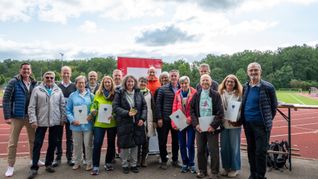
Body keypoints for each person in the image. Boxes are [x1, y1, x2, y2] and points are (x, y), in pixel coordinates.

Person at [2, 63, 43, 177]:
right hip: (17, 116)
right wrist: (7, 116)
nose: (26, 71)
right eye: (24, 69)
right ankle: (10, 166)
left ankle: (33, 160)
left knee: (33, 141)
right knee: (12, 143)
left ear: (31, 70)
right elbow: (6, 99)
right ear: (20, 70)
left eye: (28, 69)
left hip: (30, 116)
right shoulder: (13, 82)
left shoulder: (35, 83)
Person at [240, 62, 278, 179]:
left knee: (261, 152)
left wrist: (266, 120)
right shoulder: (245, 86)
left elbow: (273, 107)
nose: (253, 72)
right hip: (248, 124)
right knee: (251, 150)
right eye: (251, 70)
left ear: (260, 71)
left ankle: (260, 176)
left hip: (261, 125)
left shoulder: (268, 87)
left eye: (255, 70)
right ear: (248, 72)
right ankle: (253, 174)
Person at [27, 71, 66, 179]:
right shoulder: (37, 89)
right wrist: (33, 120)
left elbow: (62, 105)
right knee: (37, 144)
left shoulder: (58, 90)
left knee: (53, 143)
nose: (49, 79)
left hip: (55, 121)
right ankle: (34, 167)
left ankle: (48, 164)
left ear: (54, 79)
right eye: (47, 77)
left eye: (51, 78)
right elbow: (31, 106)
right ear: (43, 78)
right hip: (41, 121)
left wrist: (63, 118)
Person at [190, 74, 224, 179]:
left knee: (213, 150)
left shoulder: (216, 95)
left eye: (207, 80)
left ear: (211, 82)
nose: (205, 82)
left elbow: (220, 112)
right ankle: (202, 171)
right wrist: (196, 124)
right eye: (203, 80)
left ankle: (214, 172)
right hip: (200, 128)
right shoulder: (196, 95)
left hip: (212, 128)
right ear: (200, 83)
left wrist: (213, 125)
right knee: (200, 150)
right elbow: (192, 111)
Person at [113, 75, 147, 174]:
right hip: (124, 123)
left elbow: (144, 106)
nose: (130, 83)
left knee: (135, 144)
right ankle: (124, 165)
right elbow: (115, 107)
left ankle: (133, 164)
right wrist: (127, 113)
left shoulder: (138, 92)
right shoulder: (119, 93)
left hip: (136, 123)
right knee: (124, 145)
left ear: (135, 82)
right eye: (128, 82)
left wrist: (142, 118)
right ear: (125, 82)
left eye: (132, 81)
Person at [66, 75, 94, 171]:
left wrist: (91, 114)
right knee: (77, 145)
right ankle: (77, 162)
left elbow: (94, 108)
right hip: (76, 125)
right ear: (76, 84)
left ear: (85, 84)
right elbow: (68, 110)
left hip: (88, 124)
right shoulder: (72, 96)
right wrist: (72, 120)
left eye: (83, 82)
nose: (81, 84)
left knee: (88, 144)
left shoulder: (91, 95)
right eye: (79, 83)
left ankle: (89, 163)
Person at [90, 76, 117, 175]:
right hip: (99, 123)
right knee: (97, 144)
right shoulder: (97, 94)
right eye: (105, 82)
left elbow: (117, 106)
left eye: (109, 82)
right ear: (103, 83)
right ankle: (96, 166)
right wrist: (92, 110)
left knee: (111, 144)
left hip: (112, 123)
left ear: (112, 83)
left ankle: (108, 163)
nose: (107, 84)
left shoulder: (115, 94)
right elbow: (93, 105)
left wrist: (114, 115)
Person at [218, 74, 243, 178]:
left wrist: (238, 120)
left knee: (234, 147)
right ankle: (226, 167)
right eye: (227, 81)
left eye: (232, 81)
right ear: (225, 82)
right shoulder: (220, 93)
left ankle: (235, 168)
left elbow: (242, 109)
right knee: (224, 147)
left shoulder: (239, 95)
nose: (229, 83)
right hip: (223, 125)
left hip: (234, 125)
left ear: (235, 84)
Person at [156, 70, 181, 169]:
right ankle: (163, 160)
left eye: (175, 75)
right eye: (172, 76)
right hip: (165, 119)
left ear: (178, 77)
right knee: (162, 141)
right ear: (169, 77)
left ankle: (175, 160)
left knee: (176, 141)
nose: (174, 77)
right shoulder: (162, 89)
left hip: (177, 119)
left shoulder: (181, 87)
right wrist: (159, 118)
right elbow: (158, 104)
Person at [171, 76, 197, 173]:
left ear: (188, 83)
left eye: (185, 83)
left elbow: (196, 108)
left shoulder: (194, 93)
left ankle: (191, 163)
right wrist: (174, 123)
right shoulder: (177, 93)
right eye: (182, 83)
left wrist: (190, 118)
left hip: (190, 122)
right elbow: (174, 108)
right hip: (180, 121)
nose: (184, 85)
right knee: (181, 144)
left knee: (190, 144)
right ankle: (185, 163)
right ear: (179, 84)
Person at [53, 66, 76, 167]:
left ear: (70, 74)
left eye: (68, 73)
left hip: (71, 116)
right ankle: (58, 158)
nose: (66, 75)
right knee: (58, 138)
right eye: (64, 73)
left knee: (70, 138)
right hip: (59, 116)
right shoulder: (56, 86)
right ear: (60, 74)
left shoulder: (75, 86)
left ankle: (69, 157)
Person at [137, 77, 156, 167]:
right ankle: (136, 160)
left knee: (146, 141)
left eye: (145, 82)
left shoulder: (149, 93)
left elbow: (153, 107)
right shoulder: (135, 92)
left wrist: (155, 120)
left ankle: (143, 160)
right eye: (141, 82)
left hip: (148, 119)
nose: (143, 83)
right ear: (138, 82)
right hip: (137, 119)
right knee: (137, 142)